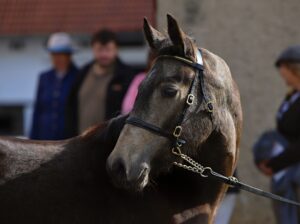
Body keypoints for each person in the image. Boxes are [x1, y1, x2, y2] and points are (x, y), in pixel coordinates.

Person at [257, 45, 300, 224]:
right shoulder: (292, 97)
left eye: (282, 69)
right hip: (286, 170)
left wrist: (274, 164)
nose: (281, 74)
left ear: (293, 69)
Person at [65, 29, 135, 137]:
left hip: (111, 144)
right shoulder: (82, 74)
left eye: (108, 49)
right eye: (99, 50)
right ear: (93, 49)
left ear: (116, 49)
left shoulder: (127, 76)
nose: (104, 54)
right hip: (80, 142)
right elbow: (70, 108)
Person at [30, 33, 78, 140]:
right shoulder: (44, 77)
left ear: (69, 55)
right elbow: (38, 110)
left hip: (69, 138)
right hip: (45, 138)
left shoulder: (78, 76)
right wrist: (33, 139)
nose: (57, 58)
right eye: (54, 54)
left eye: (61, 54)